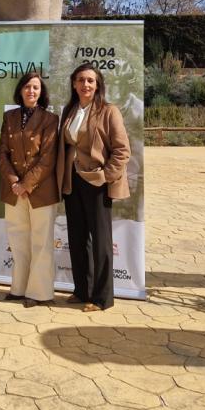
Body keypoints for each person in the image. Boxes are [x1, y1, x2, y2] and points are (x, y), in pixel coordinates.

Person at [58, 63, 131, 312]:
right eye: (81, 80)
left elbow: (122, 150)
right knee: (77, 239)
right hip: (72, 182)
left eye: (90, 80)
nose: (85, 84)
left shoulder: (109, 111)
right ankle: (82, 291)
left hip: (97, 184)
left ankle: (102, 299)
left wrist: (105, 175)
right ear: (73, 84)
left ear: (97, 84)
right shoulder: (69, 110)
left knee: (100, 241)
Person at [0, 72, 59, 308]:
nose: (31, 91)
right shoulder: (10, 117)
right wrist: (14, 181)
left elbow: (48, 158)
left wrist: (25, 184)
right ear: (20, 91)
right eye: (27, 87)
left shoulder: (50, 119)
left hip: (41, 190)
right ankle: (18, 289)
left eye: (35, 87)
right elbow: (3, 152)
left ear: (41, 92)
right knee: (19, 241)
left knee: (41, 243)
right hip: (14, 190)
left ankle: (40, 293)